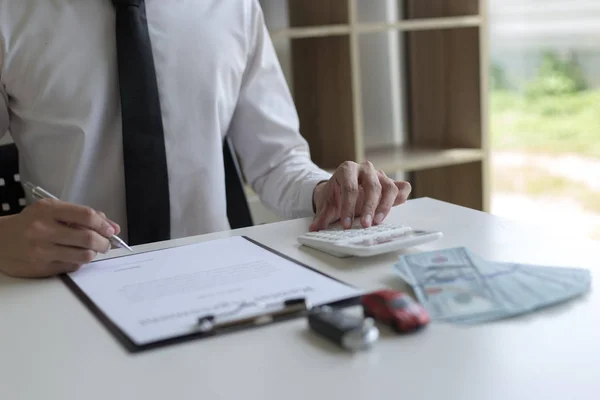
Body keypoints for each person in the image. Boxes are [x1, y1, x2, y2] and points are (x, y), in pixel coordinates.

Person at [0, 0, 411, 279]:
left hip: (214, 284)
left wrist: (325, 192)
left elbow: (278, 160)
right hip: (68, 288)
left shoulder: (233, 7)